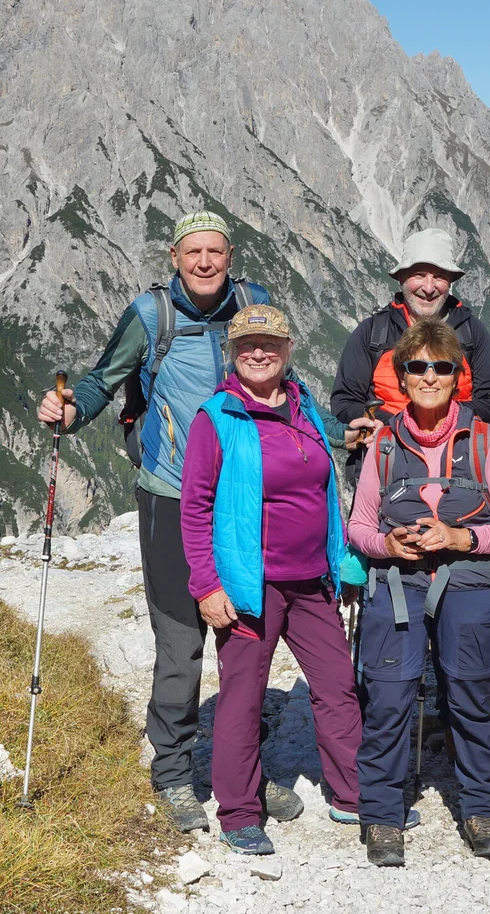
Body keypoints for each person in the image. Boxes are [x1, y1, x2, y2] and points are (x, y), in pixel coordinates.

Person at [41, 212, 354, 832]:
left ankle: (244, 773)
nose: (205, 262)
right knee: (181, 642)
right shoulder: (150, 315)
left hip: (246, 507)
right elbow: (104, 380)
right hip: (171, 495)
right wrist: (70, 413)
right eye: (193, 252)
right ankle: (174, 774)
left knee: (245, 646)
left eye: (215, 251)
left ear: (230, 256)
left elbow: (284, 387)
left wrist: (339, 436)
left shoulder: (253, 304)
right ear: (175, 258)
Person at [342, 318, 490, 866]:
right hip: (397, 583)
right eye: (417, 367)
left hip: (469, 581)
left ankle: (480, 811)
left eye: (442, 367)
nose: (429, 376)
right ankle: (383, 817)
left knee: (471, 700)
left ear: (457, 377)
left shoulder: (484, 441)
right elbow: (358, 527)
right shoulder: (384, 444)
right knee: (387, 701)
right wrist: (386, 544)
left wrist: (462, 537)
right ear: (402, 377)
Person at [179, 304, 363, 856]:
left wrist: (340, 560)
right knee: (242, 698)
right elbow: (195, 508)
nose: (258, 353)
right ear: (232, 354)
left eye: (270, 344)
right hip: (249, 587)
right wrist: (207, 585)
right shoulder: (218, 417)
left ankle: (353, 795)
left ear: (288, 350)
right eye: (246, 345)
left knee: (337, 687)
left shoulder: (304, 407)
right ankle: (239, 812)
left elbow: (324, 491)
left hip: (314, 581)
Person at [330, 228, 490, 432]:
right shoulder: (373, 332)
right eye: (419, 275)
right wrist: (398, 427)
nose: (428, 288)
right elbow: (344, 403)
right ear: (401, 278)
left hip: (455, 450)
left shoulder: (471, 331)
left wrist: (444, 420)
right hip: (387, 447)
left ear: (450, 282)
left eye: (439, 277)